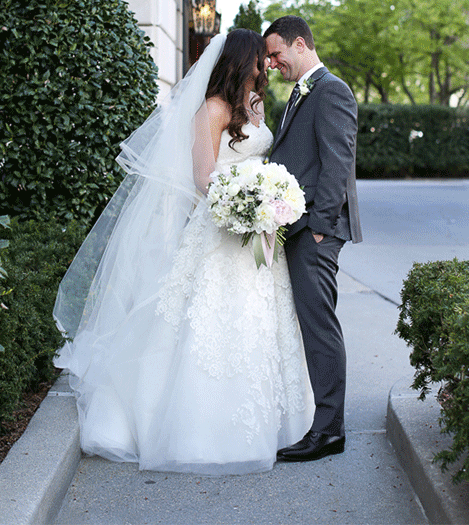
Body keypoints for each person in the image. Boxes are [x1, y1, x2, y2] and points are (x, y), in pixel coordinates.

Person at [53, 29, 313, 475]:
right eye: (260, 59)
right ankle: (198, 432)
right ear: (241, 61)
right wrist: (246, 202)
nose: (266, 66)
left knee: (259, 320)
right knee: (208, 322)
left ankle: (277, 423)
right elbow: (202, 176)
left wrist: (269, 199)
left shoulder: (254, 105)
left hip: (259, 236)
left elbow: (260, 160)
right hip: (220, 229)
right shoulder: (210, 109)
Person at [263, 15, 361, 463]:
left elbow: (337, 162)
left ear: (299, 44)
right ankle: (323, 425)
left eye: (276, 53)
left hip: (316, 232)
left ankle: (329, 431)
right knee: (311, 324)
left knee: (320, 327)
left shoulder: (332, 91)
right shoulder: (301, 94)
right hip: (298, 229)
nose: (273, 62)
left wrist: (320, 225)